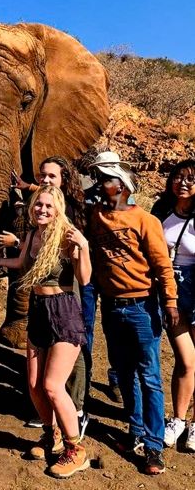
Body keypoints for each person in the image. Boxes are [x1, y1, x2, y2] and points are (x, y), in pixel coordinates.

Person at [89, 155, 179, 475]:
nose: (102, 186)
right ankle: (136, 431)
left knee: (150, 376)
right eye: (100, 180)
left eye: (107, 181)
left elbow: (162, 266)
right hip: (112, 308)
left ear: (123, 187)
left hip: (142, 306)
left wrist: (170, 303)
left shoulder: (145, 221)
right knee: (125, 373)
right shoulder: (96, 216)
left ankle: (154, 447)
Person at [0, 185, 92, 478]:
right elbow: (22, 263)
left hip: (63, 310)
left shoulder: (67, 236)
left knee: (52, 385)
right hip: (38, 309)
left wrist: (84, 248)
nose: (43, 210)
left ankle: (77, 450)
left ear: (58, 207)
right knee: (35, 384)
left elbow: (84, 278)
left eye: (49, 206)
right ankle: (52, 436)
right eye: (39, 205)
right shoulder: (32, 235)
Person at [152, 159, 195, 452]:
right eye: (178, 177)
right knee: (186, 359)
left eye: (190, 179)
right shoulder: (160, 211)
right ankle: (179, 419)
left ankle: (193, 425)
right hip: (172, 290)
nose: (183, 183)